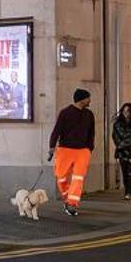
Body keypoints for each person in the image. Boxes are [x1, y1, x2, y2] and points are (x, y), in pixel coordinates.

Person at [49, 87, 96, 217]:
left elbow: (92, 132)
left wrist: (89, 148)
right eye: (88, 98)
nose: (90, 100)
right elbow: (57, 130)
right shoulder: (65, 112)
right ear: (82, 99)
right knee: (61, 176)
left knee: (78, 178)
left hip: (83, 151)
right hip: (65, 149)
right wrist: (52, 146)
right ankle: (67, 197)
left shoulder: (89, 114)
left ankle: (72, 203)